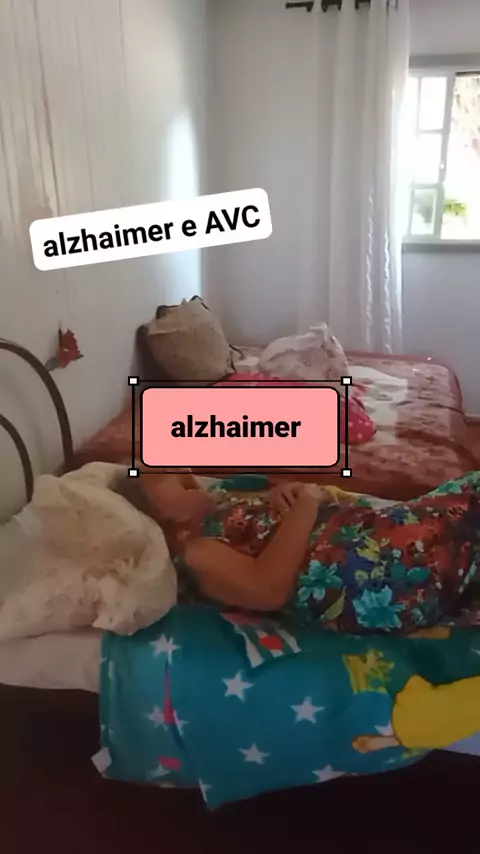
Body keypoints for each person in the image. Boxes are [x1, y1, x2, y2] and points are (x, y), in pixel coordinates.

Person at [115, 470, 480, 634]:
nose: (181, 471)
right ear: (155, 517)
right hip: (376, 573)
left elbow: (273, 516)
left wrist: (282, 496)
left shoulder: (223, 500)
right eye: (162, 476)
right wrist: (305, 505)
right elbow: (267, 588)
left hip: (374, 535)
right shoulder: (196, 552)